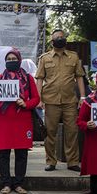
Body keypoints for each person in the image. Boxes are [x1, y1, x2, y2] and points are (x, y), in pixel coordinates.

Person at [0, 49, 40, 194]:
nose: (11, 61)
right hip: (2, 121)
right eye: (8, 59)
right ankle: (6, 183)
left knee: (21, 153)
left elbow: (36, 99)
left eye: (13, 58)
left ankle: (18, 184)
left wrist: (25, 104)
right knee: (3, 153)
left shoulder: (28, 79)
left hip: (22, 121)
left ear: (19, 60)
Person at [35, 29, 86, 172]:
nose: (59, 39)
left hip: (70, 100)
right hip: (50, 100)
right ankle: (51, 161)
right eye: (56, 37)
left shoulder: (74, 57)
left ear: (65, 39)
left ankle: (72, 162)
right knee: (50, 132)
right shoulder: (44, 58)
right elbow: (39, 79)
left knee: (72, 131)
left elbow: (80, 77)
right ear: (52, 41)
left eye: (62, 37)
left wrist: (82, 97)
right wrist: (38, 99)